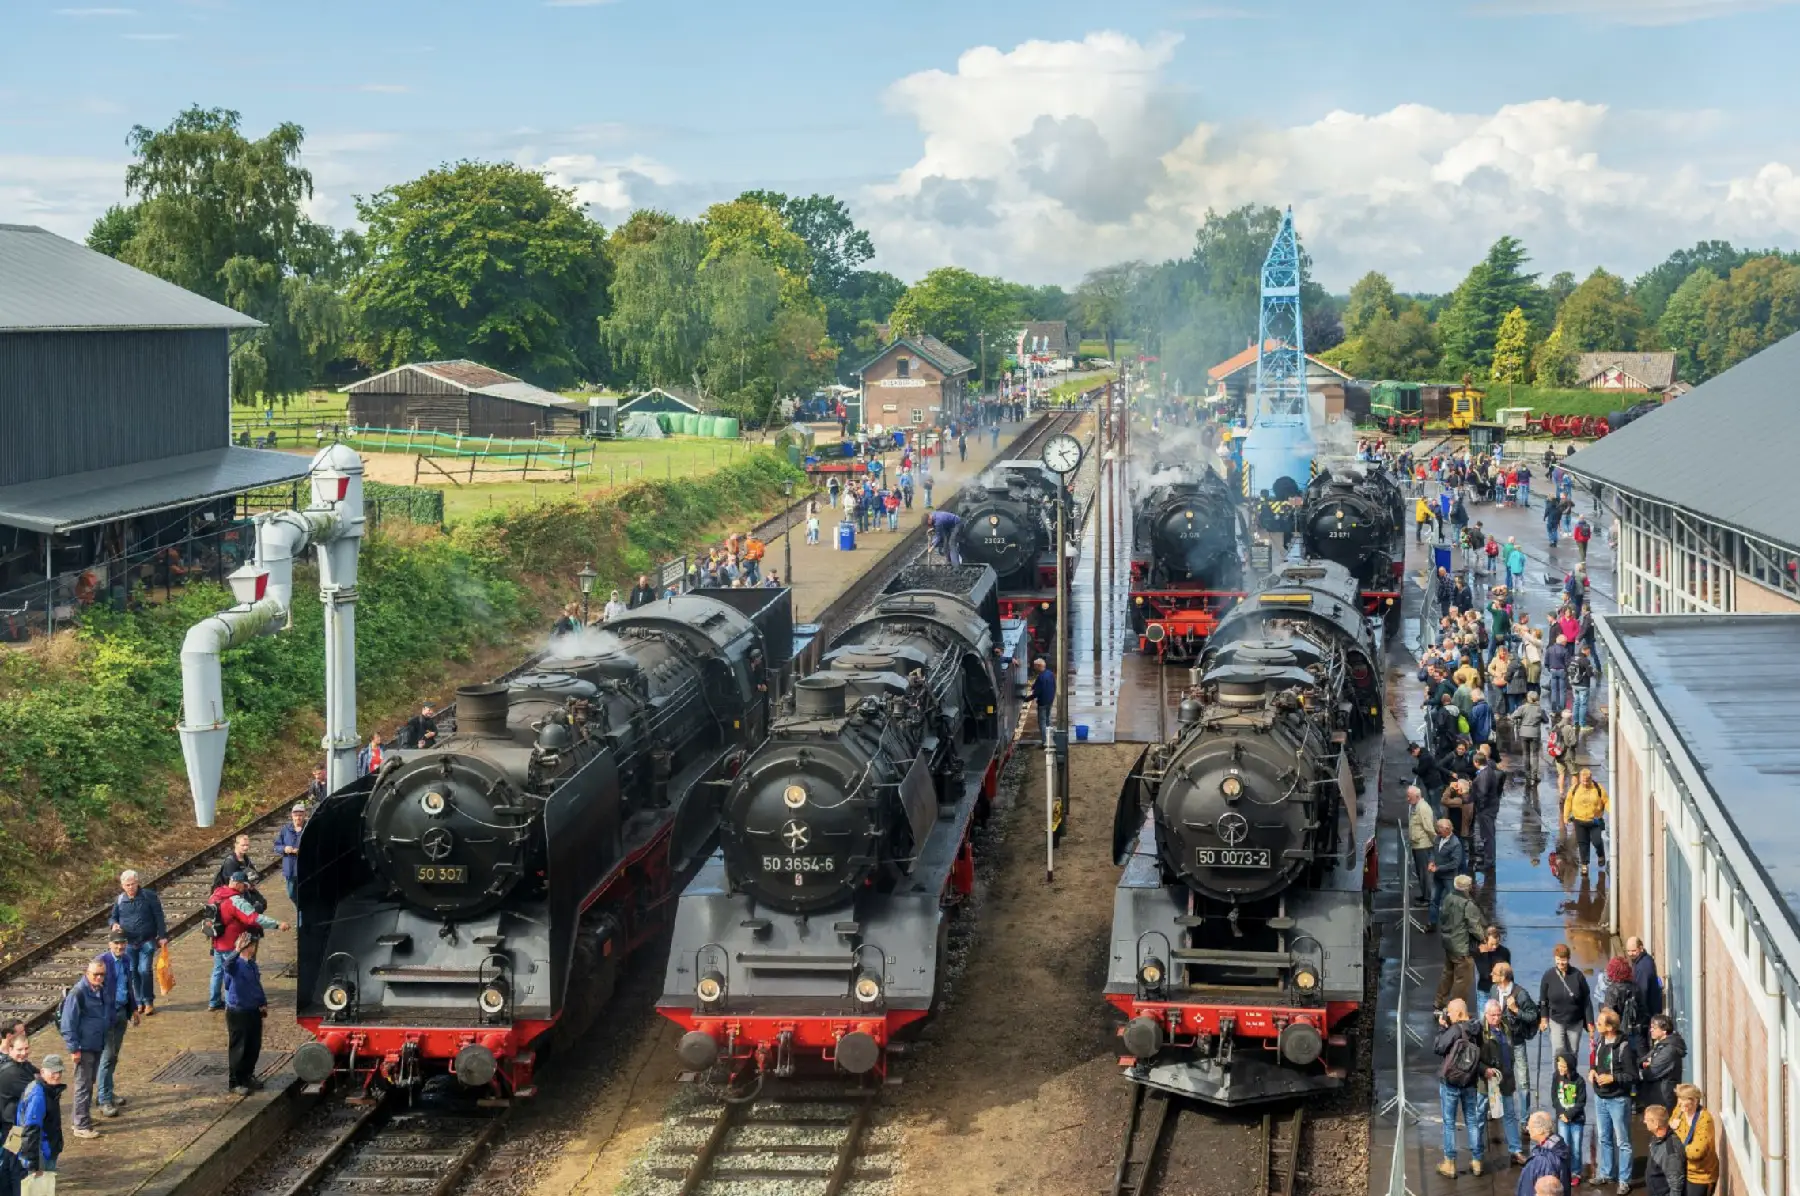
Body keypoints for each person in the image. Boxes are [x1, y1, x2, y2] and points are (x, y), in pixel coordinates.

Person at [208, 873, 286, 1012]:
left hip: (217, 941)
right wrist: (277, 924)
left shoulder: (216, 894)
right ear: (237, 883)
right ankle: (231, 1005)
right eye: (244, 885)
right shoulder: (236, 901)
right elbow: (253, 918)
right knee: (232, 975)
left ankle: (214, 1001)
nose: (246, 888)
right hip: (233, 944)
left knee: (217, 972)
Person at [1435, 998, 1489, 1178]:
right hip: (1470, 1081)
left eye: (1449, 1012)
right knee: (1472, 1121)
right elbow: (1480, 1052)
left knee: (1449, 1122)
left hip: (1451, 1081)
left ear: (1458, 1013)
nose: (1448, 1015)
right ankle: (1477, 1161)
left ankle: (1449, 1163)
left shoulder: (1455, 1030)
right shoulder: (1477, 1029)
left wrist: (1442, 1028)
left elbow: (1439, 1048)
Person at [57, 959, 108, 1139]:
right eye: (95, 974)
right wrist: (74, 1048)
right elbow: (68, 1023)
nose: (99, 977)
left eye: (102, 974)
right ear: (87, 974)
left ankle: (82, 1117)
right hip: (84, 1046)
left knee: (89, 1082)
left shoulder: (98, 989)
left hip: (95, 1043)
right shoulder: (79, 993)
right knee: (82, 1085)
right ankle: (80, 1124)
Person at [1591, 1009, 1639, 1194]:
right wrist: (1593, 1071)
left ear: (1610, 1027)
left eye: (1600, 1022)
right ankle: (1606, 1173)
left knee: (1623, 1141)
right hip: (1600, 1097)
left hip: (1618, 1100)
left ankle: (1624, 1180)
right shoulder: (1600, 1040)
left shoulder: (1624, 1048)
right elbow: (1596, 1062)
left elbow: (1633, 1076)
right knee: (1604, 1138)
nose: (1597, 1023)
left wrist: (1613, 1078)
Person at [93, 933, 141, 1118]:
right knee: (106, 1057)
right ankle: (104, 1099)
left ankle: (108, 1091)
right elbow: (93, 990)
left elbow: (128, 986)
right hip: (106, 1017)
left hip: (122, 1011)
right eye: (117, 943)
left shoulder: (126, 959)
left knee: (113, 1056)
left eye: (123, 943)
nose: (120, 947)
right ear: (109, 944)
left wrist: (134, 1008)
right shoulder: (101, 962)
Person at [108, 871, 166, 1017]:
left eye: (133, 884)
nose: (130, 887)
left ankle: (148, 1002)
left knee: (144, 970)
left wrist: (162, 936)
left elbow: (159, 916)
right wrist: (114, 924)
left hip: (147, 940)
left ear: (138, 882)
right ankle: (138, 1001)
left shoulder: (148, 896)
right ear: (122, 886)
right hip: (128, 943)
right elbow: (113, 917)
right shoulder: (120, 900)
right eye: (127, 885)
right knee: (133, 971)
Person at [1481, 998, 1529, 1163]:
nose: (1496, 1018)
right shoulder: (1480, 1031)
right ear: (1486, 1015)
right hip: (1487, 1080)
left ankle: (1515, 1151)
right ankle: (1477, 1154)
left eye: (1498, 1014)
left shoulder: (1506, 1027)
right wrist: (1484, 1070)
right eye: (1492, 1015)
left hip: (1506, 1077)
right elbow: (1475, 1056)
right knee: (1480, 1114)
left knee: (1509, 1113)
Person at [221, 934, 268, 1096]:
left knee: (253, 1046)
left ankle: (247, 1076)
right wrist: (236, 950)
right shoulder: (236, 965)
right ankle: (235, 1082)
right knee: (239, 1048)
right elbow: (226, 965)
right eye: (252, 945)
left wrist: (262, 1002)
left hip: (253, 1010)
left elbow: (256, 985)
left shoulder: (252, 965)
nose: (254, 948)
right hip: (238, 1012)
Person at [9, 1054, 63, 1187]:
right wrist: (34, 1165)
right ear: (43, 1072)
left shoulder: (39, 1086)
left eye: (59, 1071)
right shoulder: (39, 1096)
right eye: (53, 1072)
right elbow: (31, 1131)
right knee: (40, 1188)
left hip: (38, 1147)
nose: (57, 1075)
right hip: (41, 1152)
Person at [1436, 874, 1483, 1012]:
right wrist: (1483, 938)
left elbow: (1443, 917)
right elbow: (1474, 926)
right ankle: (1457, 1009)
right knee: (1462, 980)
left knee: (1447, 974)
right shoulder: (1468, 904)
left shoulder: (1448, 897)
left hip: (1449, 943)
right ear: (1467, 888)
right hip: (1462, 947)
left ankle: (1439, 1002)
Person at [1539, 943, 1594, 1059]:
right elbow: (1543, 1000)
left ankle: (1571, 1076)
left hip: (1575, 1021)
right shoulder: (1548, 976)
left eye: (1563, 961)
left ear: (1568, 959)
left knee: (1573, 1054)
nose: (1560, 964)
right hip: (1556, 1021)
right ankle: (1558, 1077)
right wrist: (1544, 1018)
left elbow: (1587, 1000)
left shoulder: (1577, 975)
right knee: (1558, 1054)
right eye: (1558, 961)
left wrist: (1590, 1022)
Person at [0, 1034, 39, 1196]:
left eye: (26, 1048)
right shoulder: (12, 1072)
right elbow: (37, 1089)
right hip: (13, 1127)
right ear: (10, 1050)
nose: (24, 1053)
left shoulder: (22, 1065)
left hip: (15, 1124)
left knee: (10, 1164)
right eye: (19, 1050)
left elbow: (37, 1074)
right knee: (16, 1167)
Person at [1669, 1084, 1717, 1196]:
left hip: (1700, 1176)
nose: (1680, 1103)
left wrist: (1675, 1132)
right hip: (1682, 1169)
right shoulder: (1680, 1110)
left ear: (1695, 1101)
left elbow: (1695, 1153)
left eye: (1683, 1100)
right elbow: (1671, 1123)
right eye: (1679, 1099)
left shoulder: (1705, 1120)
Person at [1563, 768, 1610, 876]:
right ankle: (1584, 865)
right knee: (1583, 844)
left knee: (1597, 841)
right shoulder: (1574, 789)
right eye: (1583, 780)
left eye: (1587, 780)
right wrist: (1565, 816)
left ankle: (1601, 854)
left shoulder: (1598, 788)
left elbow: (1606, 801)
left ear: (1591, 778)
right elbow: (1568, 802)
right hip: (1579, 820)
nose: (1585, 782)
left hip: (1595, 820)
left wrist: (1611, 810)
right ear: (1580, 779)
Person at [1518, 1109, 1574, 1196]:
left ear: (1540, 1131)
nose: (1527, 1129)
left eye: (1529, 1126)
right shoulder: (1558, 1144)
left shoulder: (1544, 1161)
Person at [1552, 1051, 1588, 1185]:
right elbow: (1554, 1097)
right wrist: (1561, 1113)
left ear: (1570, 1066)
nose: (1560, 1068)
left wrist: (1569, 1115)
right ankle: (1564, 1171)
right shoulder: (1556, 1077)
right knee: (1564, 1146)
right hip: (1562, 1119)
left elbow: (1581, 1102)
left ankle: (1576, 1172)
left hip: (1576, 1120)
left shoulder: (1579, 1081)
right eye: (1558, 1065)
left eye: (1563, 1066)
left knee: (1576, 1148)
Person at [1638, 1015, 1686, 1112]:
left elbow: (1651, 1072)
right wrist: (1647, 1063)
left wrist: (1648, 1066)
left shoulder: (1669, 1049)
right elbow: (1641, 1061)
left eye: (1654, 1028)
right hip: (1655, 1095)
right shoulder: (1660, 1045)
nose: (1651, 1030)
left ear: (1664, 1031)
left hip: (1663, 1098)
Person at [1428, 818, 1465, 929]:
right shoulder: (1438, 838)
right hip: (1438, 876)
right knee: (1434, 900)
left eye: (1440, 828)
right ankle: (1432, 923)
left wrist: (1438, 868)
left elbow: (1455, 863)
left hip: (1449, 878)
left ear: (1448, 829)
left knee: (1450, 903)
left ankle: (1452, 926)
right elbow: (1433, 852)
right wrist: (1431, 861)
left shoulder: (1455, 844)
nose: (1438, 830)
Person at [1470, 749, 1502, 869]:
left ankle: (1489, 862)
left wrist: (1480, 807)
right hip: (1491, 807)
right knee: (1488, 834)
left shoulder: (1484, 775)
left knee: (1488, 836)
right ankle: (1488, 856)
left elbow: (1482, 793)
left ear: (1477, 762)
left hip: (1487, 810)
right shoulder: (1487, 770)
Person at [1644, 1104, 1682, 1196]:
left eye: (1647, 1119)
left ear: (1656, 1124)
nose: (1644, 1121)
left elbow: (1675, 1184)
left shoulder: (1670, 1150)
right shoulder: (1656, 1138)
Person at [1406, 787, 1436, 904]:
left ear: (1417, 796)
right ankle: (1425, 895)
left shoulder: (1422, 808)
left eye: (1410, 797)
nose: (1407, 799)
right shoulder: (1416, 806)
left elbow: (1428, 827)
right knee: (1420, 872)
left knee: (1425, 873)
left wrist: (1435, 842)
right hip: (1418, 845)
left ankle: (1428, 898)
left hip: (1423, 846)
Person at [274, 802, 307, 910]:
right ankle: (301, 909)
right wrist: (284, 849)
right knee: (292, 894)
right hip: (290, 869)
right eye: (296, 815)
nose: (298, 817)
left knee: (304, 895)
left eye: (300, 815)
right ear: (292, 816)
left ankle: (302, 917)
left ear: (304, 815)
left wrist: (302, 851)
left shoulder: (308, 827)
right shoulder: (285, 829)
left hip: (304, 868)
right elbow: (277, 846)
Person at [1515, 692, 1545, 787]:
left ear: (1528, 698)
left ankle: (1527, 774)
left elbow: (1513, 716)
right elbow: (1546, 720)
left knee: (1526, 754)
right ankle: (1534, 776)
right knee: (1535, 755)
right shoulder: (1539, 709)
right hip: (1535, 734)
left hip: (1524, 733)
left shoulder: (1523, 707)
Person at [1475, 927, 1511, 1001]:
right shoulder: (1479, 952)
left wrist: (1510, 990)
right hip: (1485, 990)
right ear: (1485, 940)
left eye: (1497, 943)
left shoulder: (1504, 952)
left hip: (1501, 990)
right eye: (1492, 944)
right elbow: (1484, 973)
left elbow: (1509, 973)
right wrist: (1485, 952)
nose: (1494, 947)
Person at [1029, 658, 1055, 745]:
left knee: (1042, 722)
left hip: (1043, 702)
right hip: (1050, 700)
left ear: (1039, 666)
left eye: (1035, 666)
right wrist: (1033, 686)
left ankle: (1045, 742)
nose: (1034, 667)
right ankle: (1050, 739)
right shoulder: (1050, 674)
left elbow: (1037, 692)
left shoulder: (1041, 677)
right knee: (1048, 720)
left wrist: (1027, 699)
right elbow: (1053, 686)